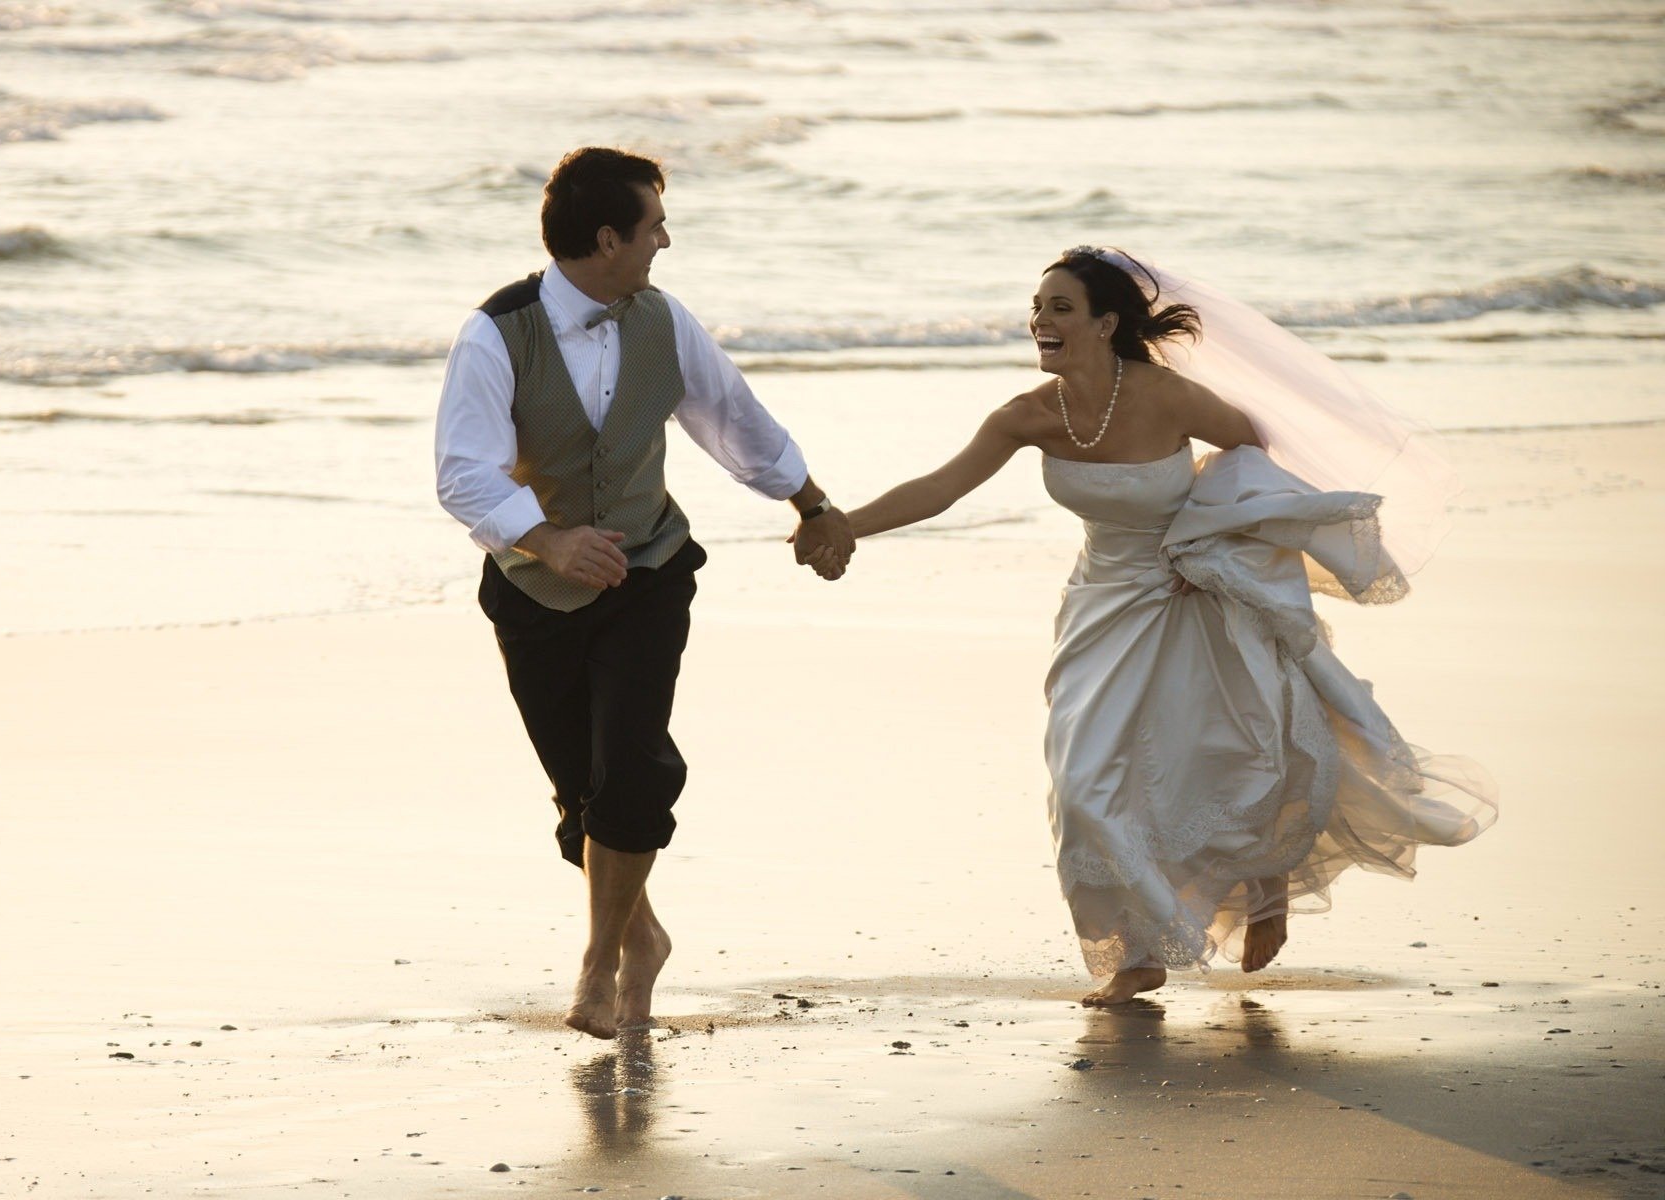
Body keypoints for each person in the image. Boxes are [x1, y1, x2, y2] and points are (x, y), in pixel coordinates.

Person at [842, 247, 1496, 1007]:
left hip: (1192, 589)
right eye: (1037, 307)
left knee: (1228, 753)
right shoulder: (1026, 415)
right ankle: (1140, 952)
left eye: (1060, 308)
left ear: (1106, 323)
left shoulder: (1169, 396)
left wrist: (1211, 538)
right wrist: (842, 527)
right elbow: (939, 487)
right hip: (1101, 603)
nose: (1040, 321)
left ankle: (1265, 887)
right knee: (1085, 782)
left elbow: (1251, 449)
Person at [434, 147, 855, 1039]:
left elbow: (730, 416)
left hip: (650, 572)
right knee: (580, 799)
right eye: (654, 225)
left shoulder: (663, 320)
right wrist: (547, 538)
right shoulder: (493, 334)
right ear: (607, 238)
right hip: (530, 592)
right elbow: (460, 473)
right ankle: (644, 937)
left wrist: (812, 506)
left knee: (633, 766)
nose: (667, 238)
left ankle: (597, 969)